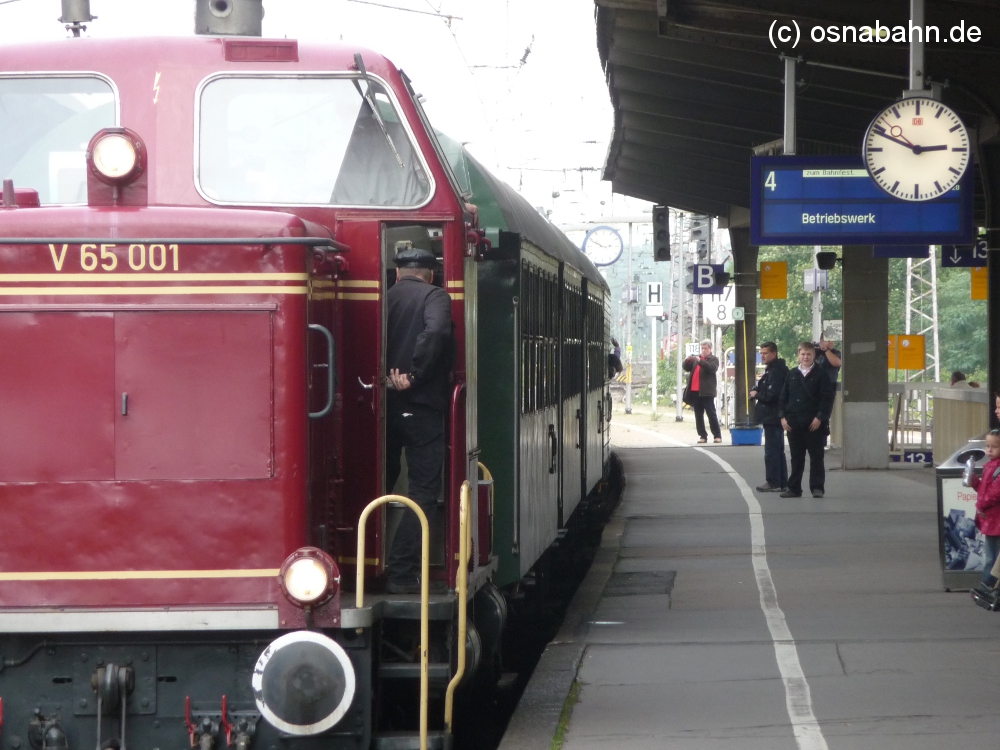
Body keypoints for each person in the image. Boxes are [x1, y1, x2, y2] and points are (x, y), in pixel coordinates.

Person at [384, 247, 454, 595]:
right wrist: (416, 374)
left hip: (381, 406)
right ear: (430, 273)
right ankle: (399, 571)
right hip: (421, 406)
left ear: (398, 273)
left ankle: (361, 562)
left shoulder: (383, 298)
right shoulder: (435, 296)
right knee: (423, 491)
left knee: (379, 483)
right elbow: (437, 332)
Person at [778, 341, 836, 498]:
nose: (805, 357)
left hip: (814, 423)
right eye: (802, 354)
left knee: (816, 457)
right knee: (796, 457)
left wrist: (820, 418)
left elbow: (827, 398)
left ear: (814, 356)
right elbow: (783, 397)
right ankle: (794, 488)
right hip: (793, 422)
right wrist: (782, 417)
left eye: (808, 354)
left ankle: (817, 487)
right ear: (798, 355)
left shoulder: (821, 374)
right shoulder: (791, 374)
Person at [750, 342, 788, 492]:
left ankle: (773, 482)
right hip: (775, 415)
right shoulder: (772, 370)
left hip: (772, 415)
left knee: (772, 450)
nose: (762, 355)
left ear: (774, 353)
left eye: (765, 353)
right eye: (761, 353)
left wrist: (757, 394)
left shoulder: (776, 371)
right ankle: (782, 482)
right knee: (778, 449)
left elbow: (773, 394)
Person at [970, 429, 1000, 607]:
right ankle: (989, 586)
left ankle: (988, 586)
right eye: (987, 446)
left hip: (995, 520)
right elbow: (984, 490)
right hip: (991, 520)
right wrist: (974, 481)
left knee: (993, 558)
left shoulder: (996, 468)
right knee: (992, 557)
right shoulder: (990, 467)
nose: (989, 450)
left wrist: (980, 506)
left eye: (994, 447)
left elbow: (994, 494)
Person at [683, 339, 722, 444]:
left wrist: (700, 361)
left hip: (707, 392)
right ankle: (702, 435)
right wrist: (687, 360)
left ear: (710, 349)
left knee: (711, 414)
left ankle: (717, 435)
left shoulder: (713, 359)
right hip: (695, 391)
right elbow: (686, 368)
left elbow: (711, 368)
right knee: (698, 415)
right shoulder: (696, 359)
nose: (704, 350)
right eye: (702, 348)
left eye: (706, 348)